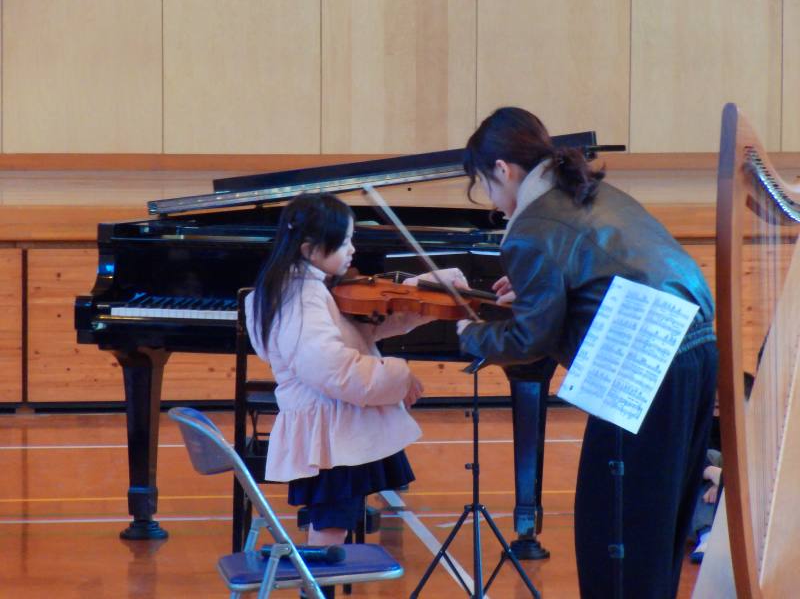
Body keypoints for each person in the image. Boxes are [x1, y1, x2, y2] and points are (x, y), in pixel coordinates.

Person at [455, 107, 718, 599]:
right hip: (698, 349)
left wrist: (468, 333)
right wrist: (535, 291)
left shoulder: (532, 225)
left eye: (485, 185)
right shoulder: (590, 190)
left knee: (613, 529)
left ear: (503, 170)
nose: (492, 202)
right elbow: (597, 272)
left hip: (641, 363)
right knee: (658, 524)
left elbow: (528, 340)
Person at [245, 192, 467, 553]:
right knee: (330, 531)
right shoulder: (301, 298)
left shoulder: (307, 286)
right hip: (332, 434)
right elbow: (333, 369)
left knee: (332, 527)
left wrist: (424, 287)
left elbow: (358, 329)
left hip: (336, 426)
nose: (353, 250)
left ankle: (321, 577)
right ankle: (317, 581)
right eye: (344, 242)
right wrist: (398, 377)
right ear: (309, 249)